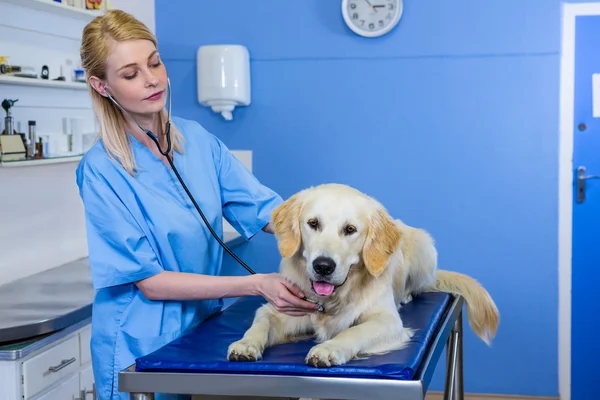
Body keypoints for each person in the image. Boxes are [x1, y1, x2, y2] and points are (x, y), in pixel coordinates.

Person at [76, 9, 319, 400]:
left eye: (154, 63)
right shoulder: (102, 170)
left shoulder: (197, 141)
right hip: (137, 342)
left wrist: (333, 227)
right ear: (102, 86)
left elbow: (267, 213)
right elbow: (151, 283)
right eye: (131, 73)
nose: (152, 79)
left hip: (193, 330)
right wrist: (257, 284)